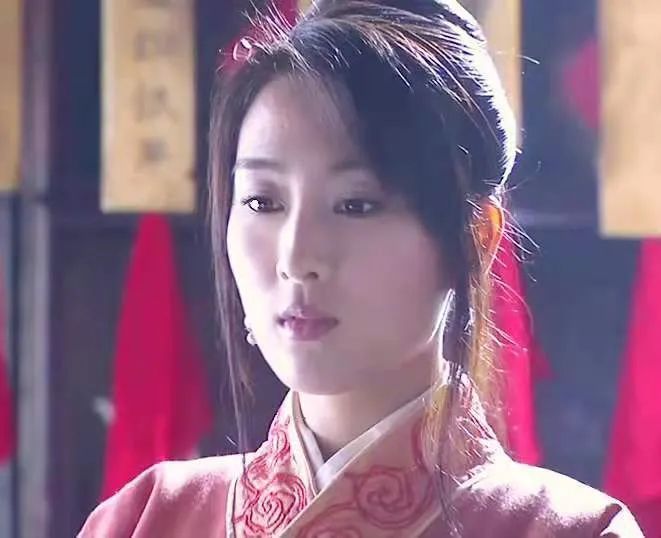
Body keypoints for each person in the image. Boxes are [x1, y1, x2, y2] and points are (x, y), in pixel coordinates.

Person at [79, 0, 644, 536]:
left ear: (475, 239)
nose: (296, 259)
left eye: (356, 205)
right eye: (262, 201)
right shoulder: (147, 518)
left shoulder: (570, 530)